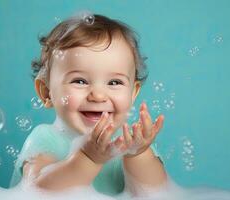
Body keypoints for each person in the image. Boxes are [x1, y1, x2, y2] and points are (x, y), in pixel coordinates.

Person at [9, 13, 168, 197]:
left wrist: (139, 154)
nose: (98, 95)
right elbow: (38, 192)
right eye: (80, 81)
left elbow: (158, 192)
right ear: (46, 92)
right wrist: (88, 158)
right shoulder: (45, 138)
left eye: (114, 83)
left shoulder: (127, 143)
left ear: (133, 93)